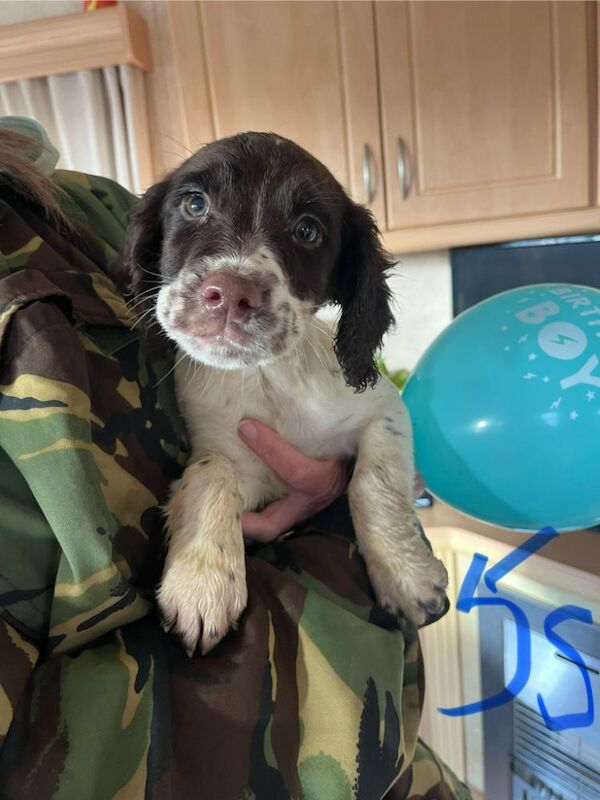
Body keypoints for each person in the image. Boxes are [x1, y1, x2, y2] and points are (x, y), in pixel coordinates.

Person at [0, 119, 471, 800]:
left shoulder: (73, 202)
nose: (233, 282)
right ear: (154, 239)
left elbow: (381, 413)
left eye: (306, 233)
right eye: (197, 206)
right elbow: (227, 461)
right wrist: (212, 518)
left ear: (346, 284)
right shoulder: (179, 347)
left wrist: (373, 510)